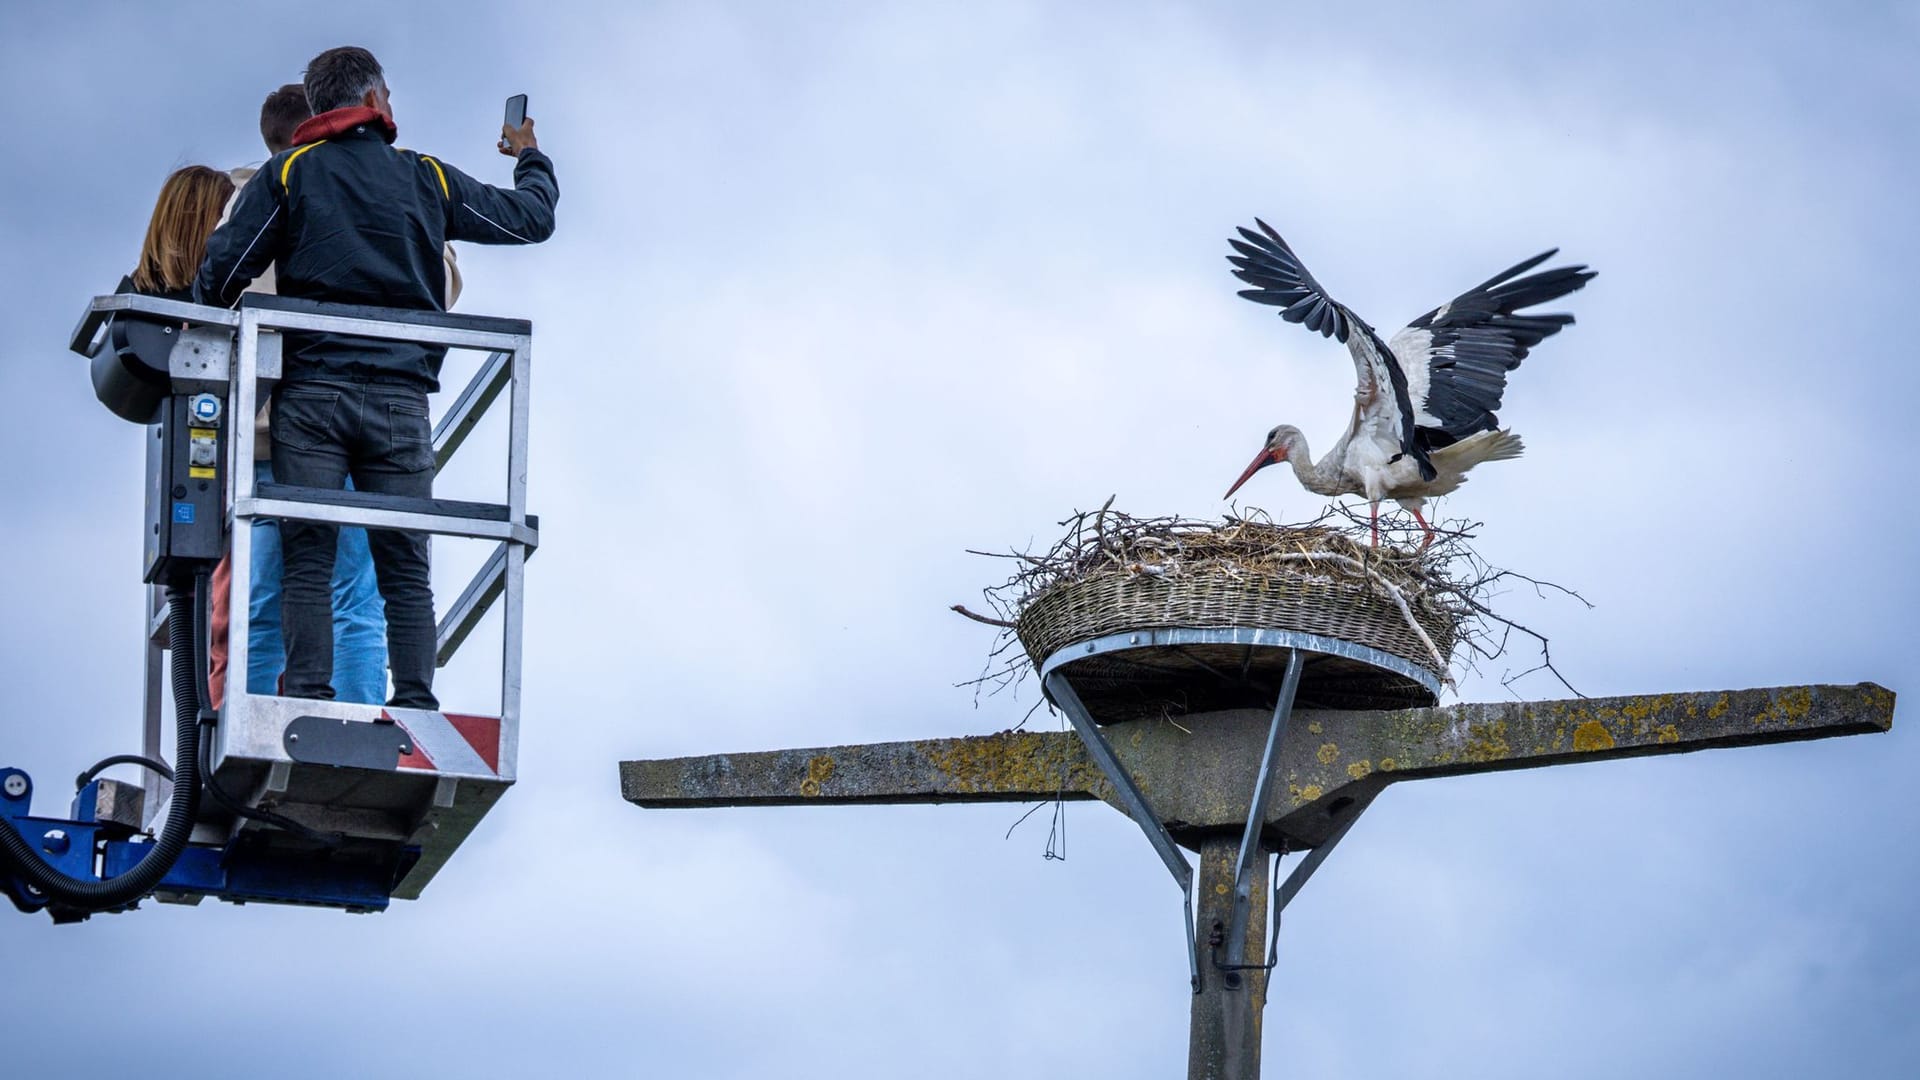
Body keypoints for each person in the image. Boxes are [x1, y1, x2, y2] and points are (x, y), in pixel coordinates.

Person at [195, 46, 557, 710]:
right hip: (400, 403)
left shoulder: (288, 175)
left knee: (309, 560)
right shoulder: (426, 179)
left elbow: (222, 274)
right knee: (403, 570)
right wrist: (529, 156)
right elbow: (531, 220)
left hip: (310, 401)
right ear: (375, 102)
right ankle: (416, 703)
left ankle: (305, 697)